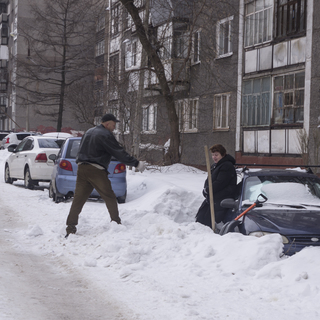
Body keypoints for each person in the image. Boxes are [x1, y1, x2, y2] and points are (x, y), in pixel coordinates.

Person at [65, 113, 146, 237]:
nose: (114, 128)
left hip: (82, 168)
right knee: (109, 196)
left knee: (78, 199)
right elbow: (118, 152)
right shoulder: (105, 134)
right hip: (96, 170)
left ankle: (70, 228)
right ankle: (116, 223)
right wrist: (136, 163)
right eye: (113, 125)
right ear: (107, 123)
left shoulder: (89, 131)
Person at [196, 144, 237, 229]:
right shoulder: (216, 166)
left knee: (209, 222)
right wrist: (206, 189)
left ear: (223, 154)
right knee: (201, 218)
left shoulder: (227, 166)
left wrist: (208, 190)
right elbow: (209, 180)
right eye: (213, 155)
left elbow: (220, 183)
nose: (214, 157)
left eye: (216, 155)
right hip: (213, 198)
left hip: (222, 199)